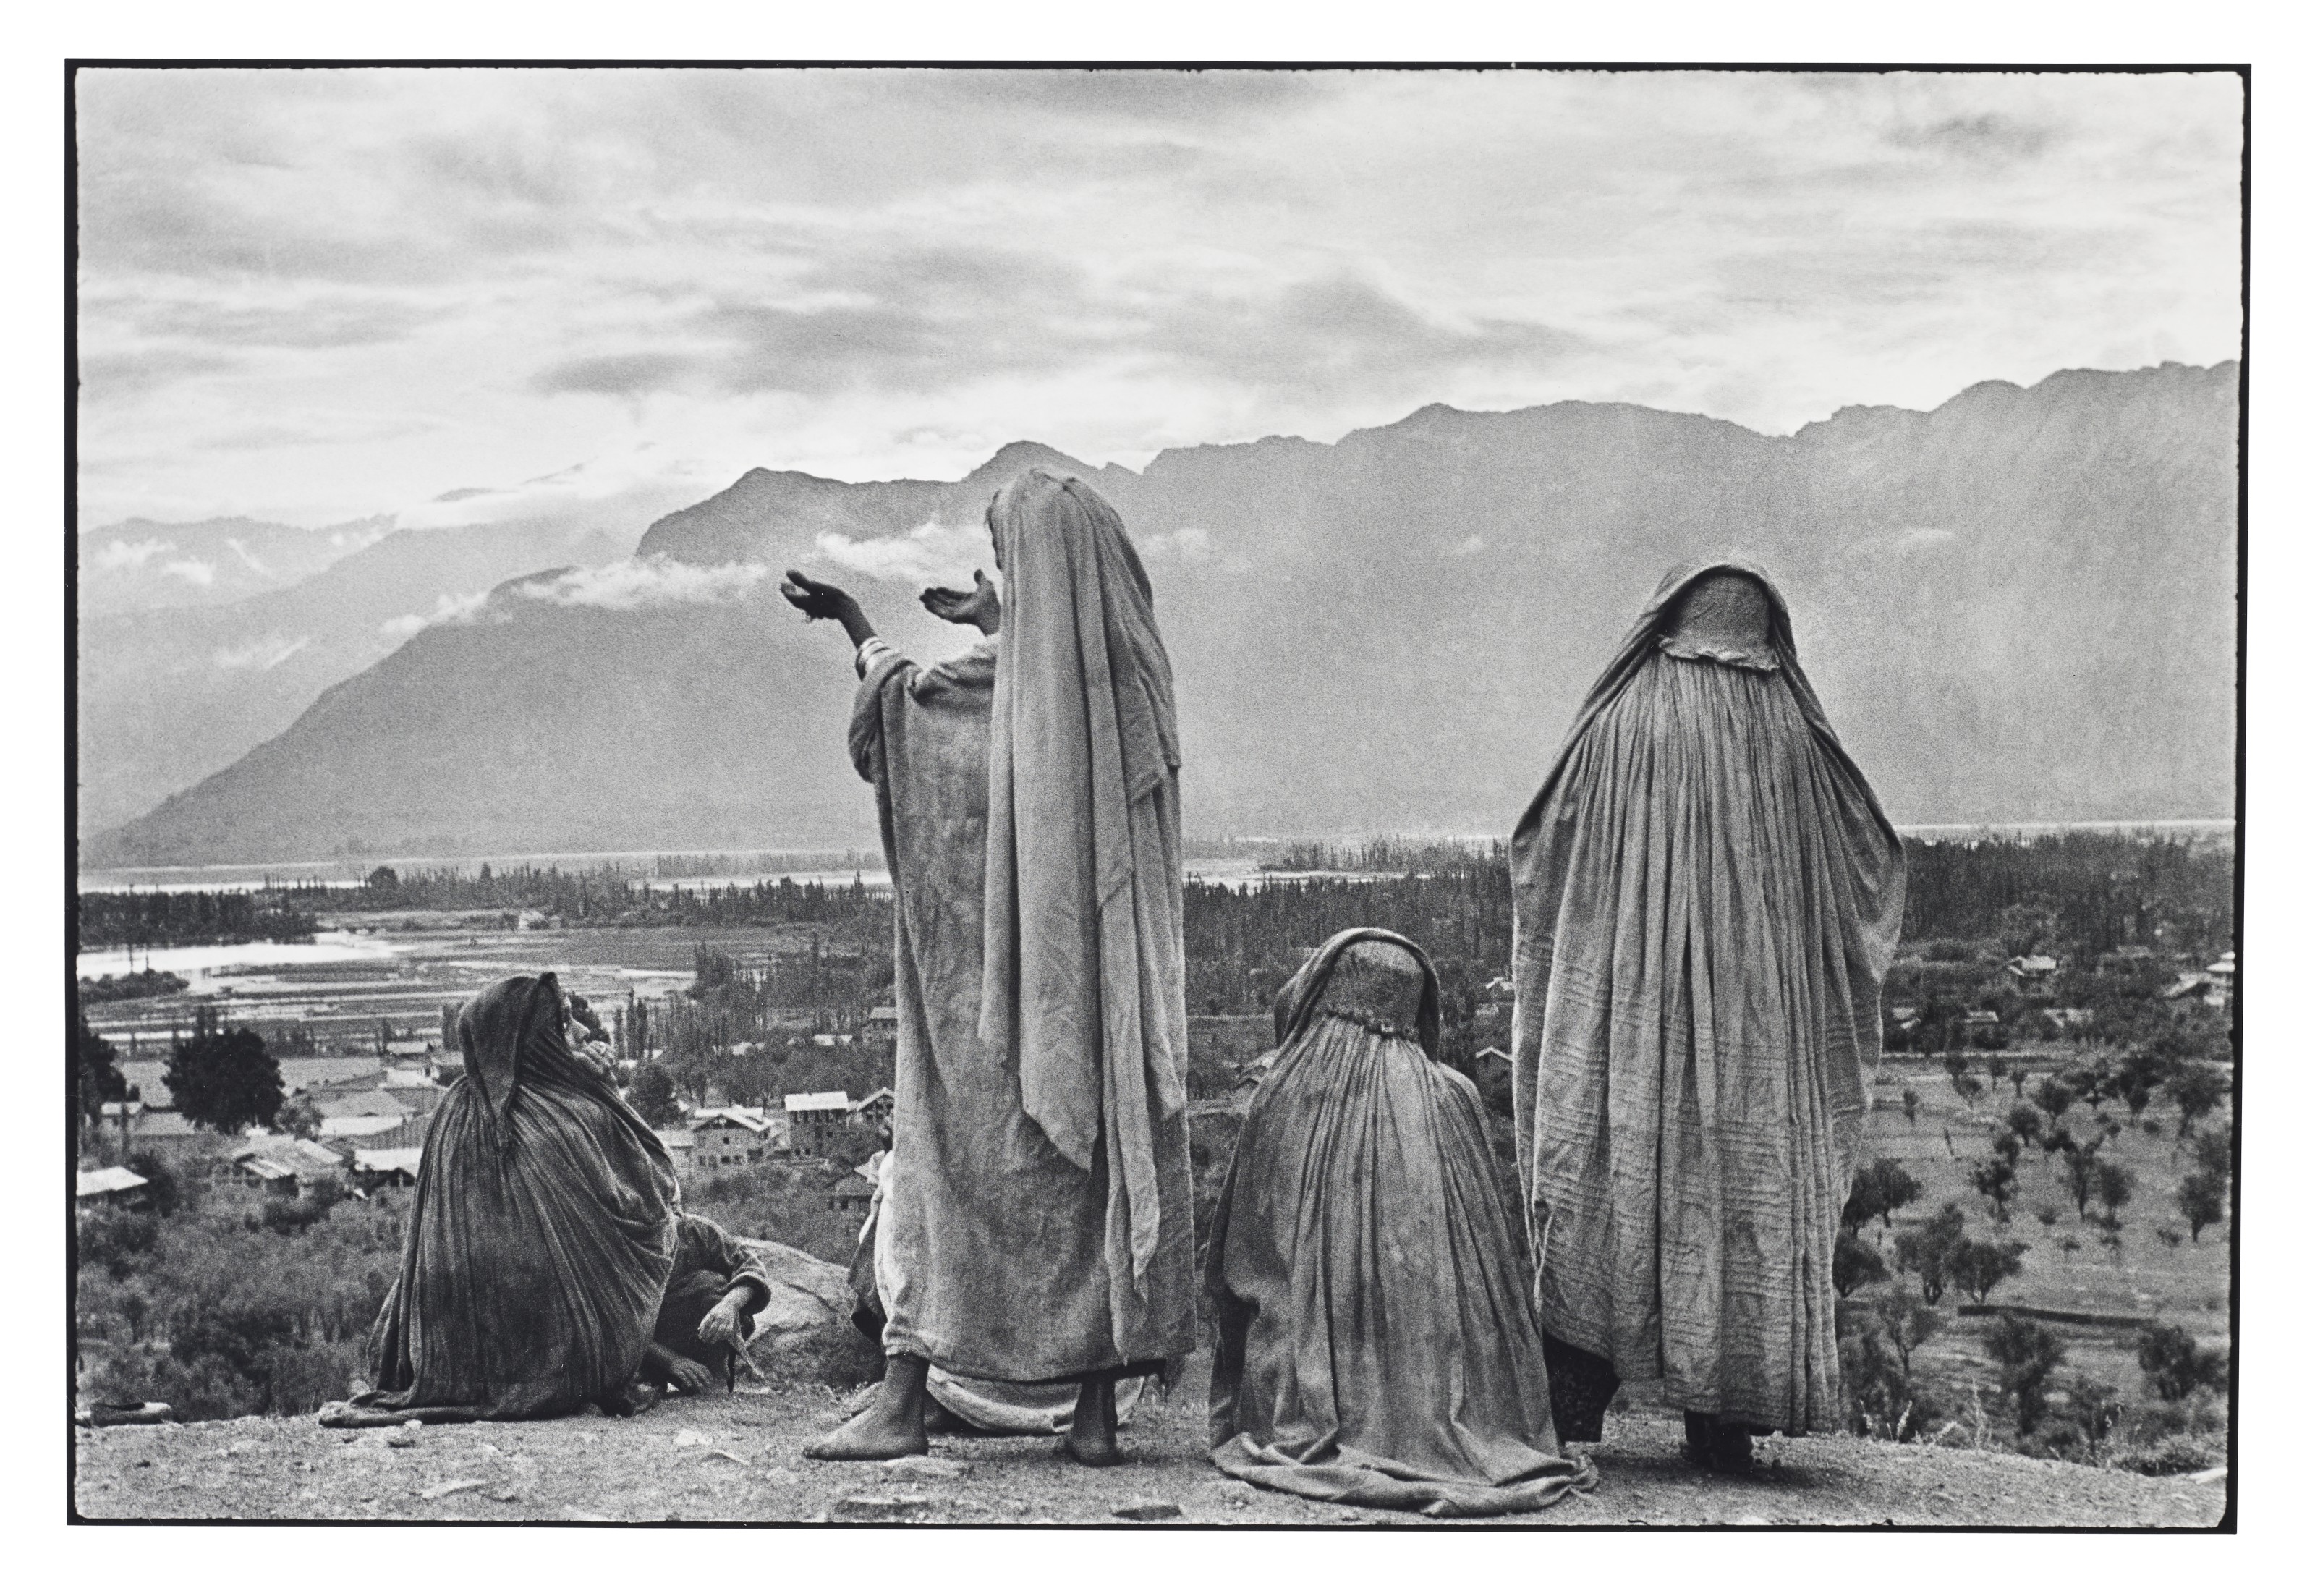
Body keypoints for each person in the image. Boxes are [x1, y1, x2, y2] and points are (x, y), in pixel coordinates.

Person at [781, 466, 1197, 1465]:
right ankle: (1094, 1414)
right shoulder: (1133, 683)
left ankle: (902, 1398)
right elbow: (1058, 677)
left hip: (982, 998)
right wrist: (1005, 617)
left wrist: (852, 621)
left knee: (943, 1166)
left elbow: (902, 710)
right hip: (1102, 995)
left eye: (1007, 560)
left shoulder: (990, 691)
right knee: (1090, 1174)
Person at [1508, 562, 1907, 1472]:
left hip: (1629, 1031)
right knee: (1734, 1199)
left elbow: (1542, 847)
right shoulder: (1793, 736)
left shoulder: (1618, 722)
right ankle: (1721, 1422)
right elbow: (1867, 861)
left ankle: (1572, 1408)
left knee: (1608, 1185)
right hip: (1756, 1044)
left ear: (1664, 620)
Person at [1207, 930, 1594, 1516]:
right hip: (1460, 1394)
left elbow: (1239, 1264)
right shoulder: (1456, 1100)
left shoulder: (1283, 1094)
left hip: (1301, 1395)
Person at [319, 972, 681, 1426]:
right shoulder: (569, 1118)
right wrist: (603, 1089)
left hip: (447, 1359)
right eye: (565, 1022)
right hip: (566, 1359)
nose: (582, 1033)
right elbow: (655, 1194)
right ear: (529, 1038)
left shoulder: (452, 1112)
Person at [643, 1210, 775, 1396]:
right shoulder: (616, 1239)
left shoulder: (696, 1231)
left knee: (709, 1284)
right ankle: (651, 1377)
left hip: (699, 1329)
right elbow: (613, 1324)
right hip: (643, 1342)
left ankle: (713, 1372)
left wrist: (729, 1305)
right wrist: (671, 1360)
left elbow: (751, 1268)